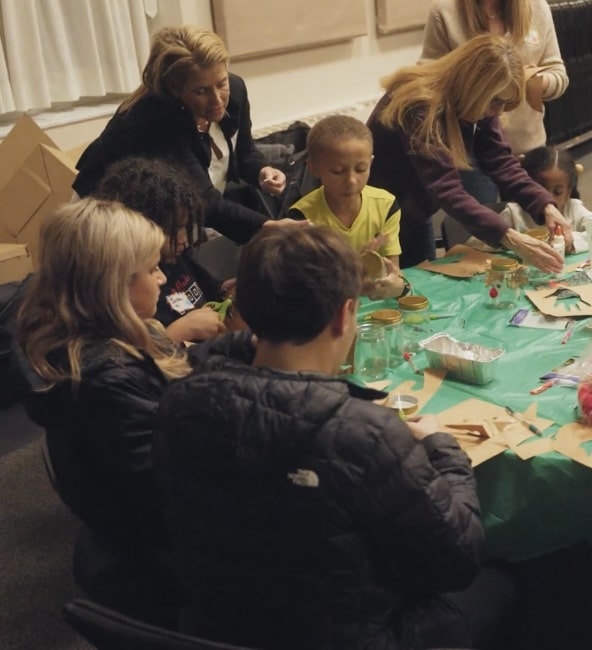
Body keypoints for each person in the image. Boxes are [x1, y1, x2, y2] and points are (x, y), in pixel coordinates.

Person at [153, 227, 511, 649]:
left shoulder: (178, 400)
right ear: (345, 315)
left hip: (221, 626)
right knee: (506, 576)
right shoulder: (365, 436)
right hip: (353, 635)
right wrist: (442, 448)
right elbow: (457, 560)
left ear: (244, 308)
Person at [17, 199, 251, 623]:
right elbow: (170, 495)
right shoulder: (107, 379)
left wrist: (250, 343)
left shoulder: (125, 332)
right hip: (164, 557)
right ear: (114, 285)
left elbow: (181, 359)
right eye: (151, 268)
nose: (163, 278)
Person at [73, 26, 296, 244]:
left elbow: (245, 152)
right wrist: (268, 228)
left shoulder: (235, 90)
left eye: (221, 83)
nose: (217, 100)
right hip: (111, 222)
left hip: (173, 219)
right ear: (174, 88)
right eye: (201, 91)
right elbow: (204, 201)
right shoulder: (155, 120)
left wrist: (262, 171)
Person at [367, 34, 571, 271]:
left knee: (419, 293)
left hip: (415, 212)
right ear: (475, 88)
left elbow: (502, 163)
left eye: (504, 103)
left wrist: (546, 206)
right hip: (373, 223)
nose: (498, 111)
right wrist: (511, 237)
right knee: (384, 297)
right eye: (495, 102)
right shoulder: (419, 105)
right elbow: (447, 189)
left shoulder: (479, 106)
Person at [93, 157, 229, 343]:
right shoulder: (132, 290)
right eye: (173, 230)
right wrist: (177, 333)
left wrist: (222, 288)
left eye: (186, 227)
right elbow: (133, 357)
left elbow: (203, 283)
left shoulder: (177, 257)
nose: (184, 239)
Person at [421, 0, 568, 160]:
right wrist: (478, 83)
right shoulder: (444, 12)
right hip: (469, 153)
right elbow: (428, 80)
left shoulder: (537, 7)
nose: (499, 110)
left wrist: (531, 82)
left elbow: (558, 74)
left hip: (527, 148)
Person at [289, 115, 408, 300]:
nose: (351, 181)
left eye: (361, 169)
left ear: (371, 162)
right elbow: (307, 287)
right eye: (338, 171)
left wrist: (397, 285)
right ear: (313, 168)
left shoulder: (386, 205)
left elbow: (393, 271)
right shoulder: (302, 217)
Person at [500, 146, 592, 236]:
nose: (549, 199)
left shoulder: (574, 209)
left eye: (558, 192)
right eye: (540, 191)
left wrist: (572, 240)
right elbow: (486, 244)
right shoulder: (513, 214)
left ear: (568, 193)